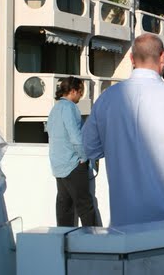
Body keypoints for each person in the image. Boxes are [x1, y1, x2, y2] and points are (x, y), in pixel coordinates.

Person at [83, 33, 164, 227]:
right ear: (162, 57)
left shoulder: (107, 99)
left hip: (127, 220)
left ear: (131, 59)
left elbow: (90, 148)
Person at [47, 76, 98, 227]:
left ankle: (64, 241)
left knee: (64, 207)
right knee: (85, 206)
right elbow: (76, 137)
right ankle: (94, 242)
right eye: (81, 92)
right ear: (73, 91)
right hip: (73, 164)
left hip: (58, 164)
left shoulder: (55, 109)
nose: (81, 95)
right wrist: (84, 157)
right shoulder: (70, 108)